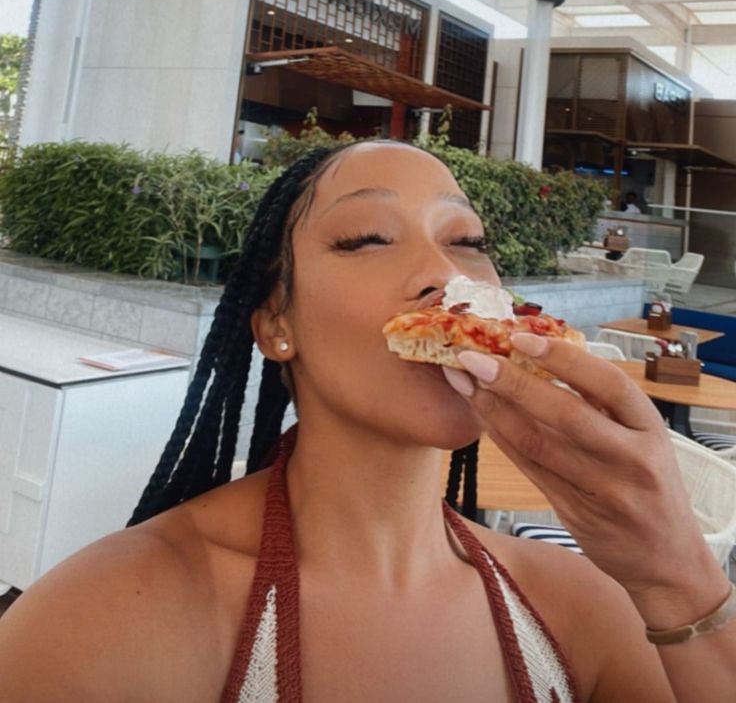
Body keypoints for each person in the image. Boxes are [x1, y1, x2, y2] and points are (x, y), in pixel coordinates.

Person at [0, 141, 733, 702]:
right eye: (366, 239)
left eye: (468, 242)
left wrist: (680, 578)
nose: (448, 277)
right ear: (275, 325)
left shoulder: (587, 610)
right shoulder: (109, 621)